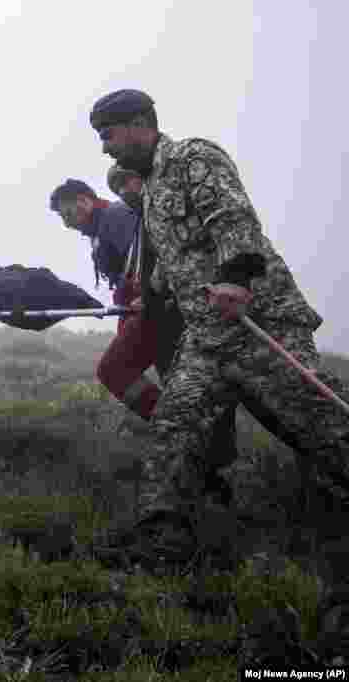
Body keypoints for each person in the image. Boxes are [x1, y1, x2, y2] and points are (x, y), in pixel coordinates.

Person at [89, 88, 349, 650]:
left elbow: (232, 219)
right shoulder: (152, 191)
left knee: (317, 423)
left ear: (139, 125)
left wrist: (235, 276)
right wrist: (154, 290)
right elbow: (179, 257)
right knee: (176, 429)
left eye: (109, 135)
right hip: (208, 339)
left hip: (259, 321)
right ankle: (162, 539)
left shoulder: (192, 159)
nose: (106, 149)